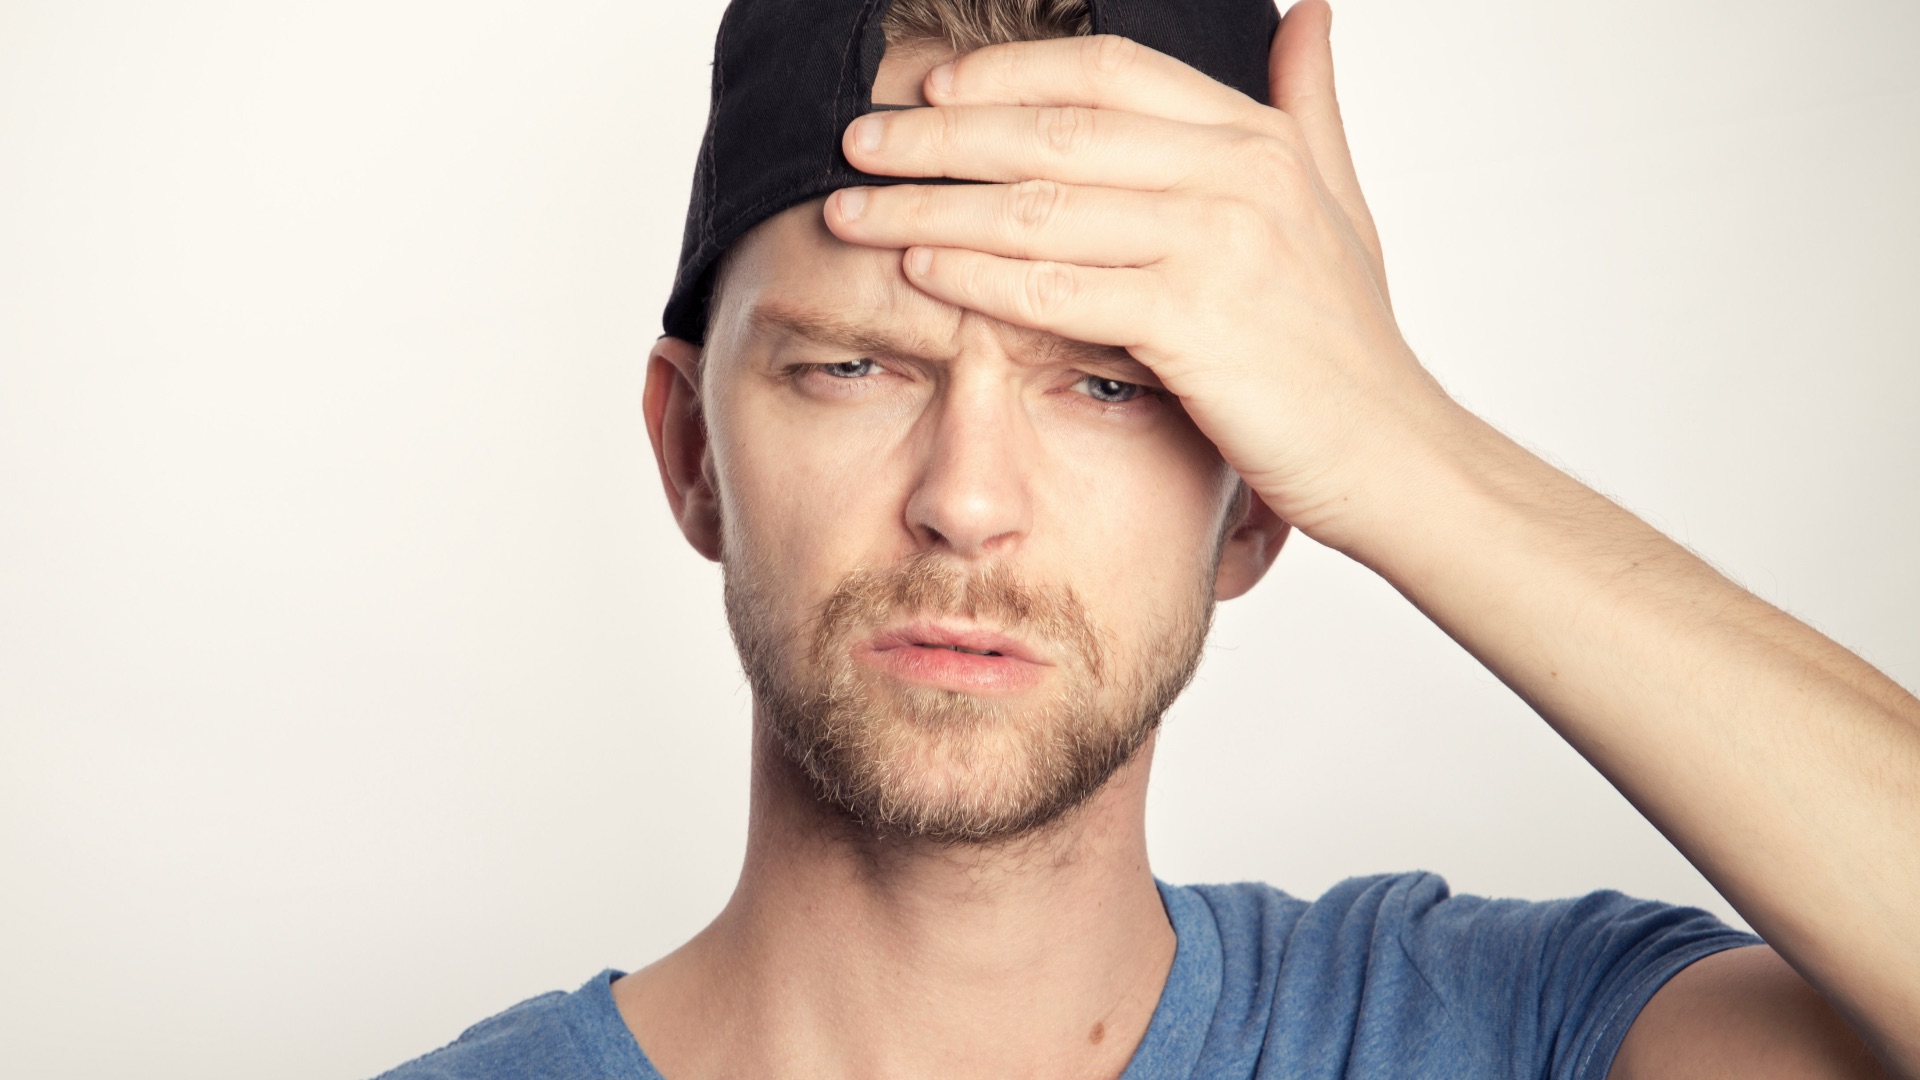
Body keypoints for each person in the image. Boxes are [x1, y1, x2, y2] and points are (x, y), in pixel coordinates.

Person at [377, 0, 1918, 1077]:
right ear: (690, 453)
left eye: (1107, 384)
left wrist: (1412, 452)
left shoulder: (1506, 1033)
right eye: (855, 366)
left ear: (1256, 500)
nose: (968, 498)